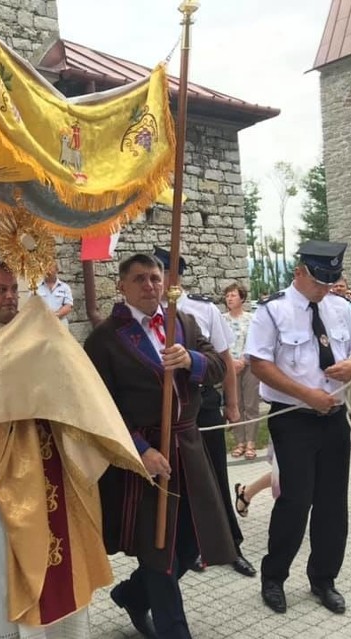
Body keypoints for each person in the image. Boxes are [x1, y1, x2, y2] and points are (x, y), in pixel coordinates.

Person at [0, 261, 148, 639]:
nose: (11, 297)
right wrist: (38, 342)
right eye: (1, 290)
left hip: (49, 465)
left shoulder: (35, 331)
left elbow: (68, 376)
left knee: (62, 562)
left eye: (14, 290)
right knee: (2, 564)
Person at [84, 253, 234, 639]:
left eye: (154, 278)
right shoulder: (105, 339)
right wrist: (139, 450)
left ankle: (133, 594)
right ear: (121, 286)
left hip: (188, 447)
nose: (150, 286)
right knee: (159, 549)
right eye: (140, 279)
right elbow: (98, 405)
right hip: (144, 455)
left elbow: (219, 366)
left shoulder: (181, 321)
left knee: (189, 542)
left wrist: (192, 360)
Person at [246, 240, 351, 615]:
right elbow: (259, 364)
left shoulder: (342, 308)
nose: (326, 288)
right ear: (299, 272)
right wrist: (306, 394)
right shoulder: (273, 311)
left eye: (331, 281)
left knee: (332, 505)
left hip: (336, 419)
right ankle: (274, 577)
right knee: (295, 501)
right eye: (319, 282)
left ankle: (324, 579)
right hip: (293, 418)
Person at [154, 247, 254, 579]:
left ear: (175, 275)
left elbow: (224, 359)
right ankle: (187, 546)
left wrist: (233, 404)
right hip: (163, 408)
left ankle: (230, 544)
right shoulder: (145, 313)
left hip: (201, 404)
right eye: (154, 274)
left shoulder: (201, 309)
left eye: (163, 273)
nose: (159, 280)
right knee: (176, 478)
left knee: (214, 474)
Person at [223, 282, 260, 460]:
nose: (229, 298)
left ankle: (251, 442)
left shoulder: (252, 318)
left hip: (249, 365)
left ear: (242, 298)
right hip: (230, 366)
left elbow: (255, 341)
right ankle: (239, 442)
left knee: (251, 404)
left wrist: (244, 360)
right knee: (235, 403)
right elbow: (219, 343)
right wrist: (231, 362)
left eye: (233, 295)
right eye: (228, 295)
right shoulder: (222, 319)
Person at [34, 262, 74, 327]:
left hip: (60, 323)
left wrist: (56, 315)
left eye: (50, 267)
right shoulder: (35, 287)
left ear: (57, 270)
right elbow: (31, 305)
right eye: (45, 268)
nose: (47, 270)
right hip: (41, 324)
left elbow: (68, 306)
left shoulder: (65, 287)